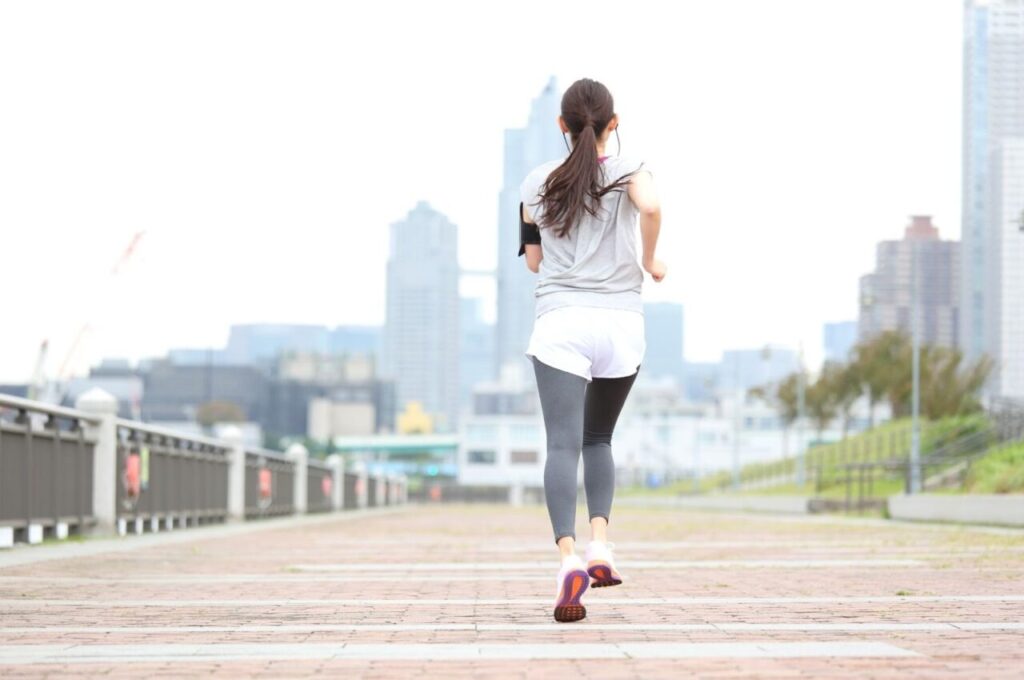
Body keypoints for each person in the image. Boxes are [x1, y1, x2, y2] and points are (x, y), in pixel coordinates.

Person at [518, 77, 665, 623]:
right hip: (621, 324)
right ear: (614, 124)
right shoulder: (632, 170)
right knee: (598, 438)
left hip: (561, 323)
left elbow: (533, 262)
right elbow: (650, 208)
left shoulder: (536, 183)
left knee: (562, 447)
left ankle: (568, 558)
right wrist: (651, 260)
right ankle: (601, 544)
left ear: (562, 126)